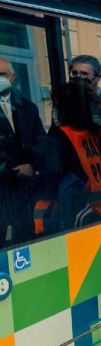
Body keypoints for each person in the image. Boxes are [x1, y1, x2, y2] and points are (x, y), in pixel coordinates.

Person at [45, 79, 101, 230]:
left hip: (80, 218)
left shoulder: (63, 137)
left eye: (56, 105)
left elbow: (55, 179)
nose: (54, 110)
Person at [0, 57, 45, 248]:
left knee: (25, 239)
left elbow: (41, 143)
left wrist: (32, 166)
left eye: (2, 74)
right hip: (2, 187)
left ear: (13, 77)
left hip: (26, 189)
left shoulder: (28, 108)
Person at [69, 55, 101, 143]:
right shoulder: (65, 101)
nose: (78, 77)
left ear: (97, 78)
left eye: (84, 74)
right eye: (74, 73)